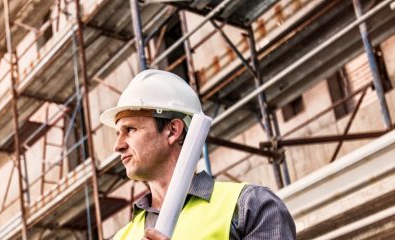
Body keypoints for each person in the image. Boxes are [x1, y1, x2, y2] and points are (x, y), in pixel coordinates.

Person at [100, 70, 296, 240]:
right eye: (118, 133)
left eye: (131, 129)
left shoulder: (249, 206)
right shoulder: (122, 237)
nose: (118, 146)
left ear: (173, 130)